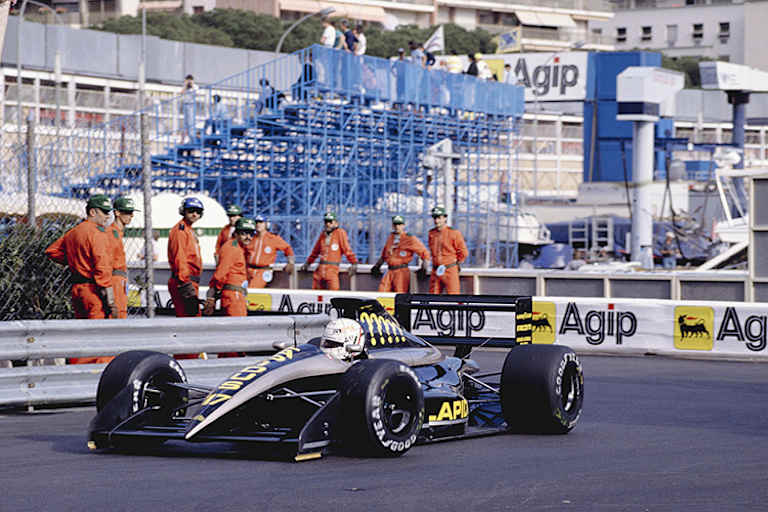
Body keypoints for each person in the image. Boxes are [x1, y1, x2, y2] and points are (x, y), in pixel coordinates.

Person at [45, 194, 117, 321]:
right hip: (93, 289)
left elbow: (52, 251)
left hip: (77, 289)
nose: (108, 216)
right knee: (99, 329)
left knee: (82, 328)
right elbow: (102, 264)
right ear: (93, 212)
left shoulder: (74, 231)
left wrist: (74, 260)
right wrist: (110, 299)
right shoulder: (97, 233)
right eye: (105, 212)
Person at [203, 217, 254, 318]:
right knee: (239, 325)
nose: (248, 237)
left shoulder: (238, 247)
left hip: (236, 294)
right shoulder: (232, 248)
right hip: (233, 296)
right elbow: (221, 273)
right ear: (236, 233)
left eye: (251, 234)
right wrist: (213, 293)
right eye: (244, 233)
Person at [371, 215, 430, 293]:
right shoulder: (391, 237)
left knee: (400, 293)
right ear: (392, 225)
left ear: (403, 225)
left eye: (399, 224)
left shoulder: (409, 238)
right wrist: (377, 266)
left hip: (401, 272)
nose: (397, 227)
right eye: (395, 224)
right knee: (382, 292)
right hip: (390, 271)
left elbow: (424, 253)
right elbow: (384, 254)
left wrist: (424, 268)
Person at [300, 212, 358, 290]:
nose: (328, 224)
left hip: (332, 270)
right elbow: (315, 252)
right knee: (316, 293)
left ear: (336, 223)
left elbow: (346, 249)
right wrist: (308, 263)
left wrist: (354, 263)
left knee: (333, 292)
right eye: (326, 222)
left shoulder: (340, 233)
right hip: (320, 271)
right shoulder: (323, 235)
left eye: (330, 222)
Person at [168, 197, 204, 317]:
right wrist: (185, 285)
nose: (194, 214)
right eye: (191, 210)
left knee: (192, 319)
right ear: (183, 211)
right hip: (184, 282)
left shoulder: (189, 230)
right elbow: (180, 257)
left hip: (189, 282)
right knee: (189, 320)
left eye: (198, 211)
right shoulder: (181, 230)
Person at [108, 196, 139, 319]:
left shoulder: (118, 233)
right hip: (114, 280)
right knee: (117, 315)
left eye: (132, 212)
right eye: (127, 212)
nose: (131, 216)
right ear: (117, 213)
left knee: (121, 313)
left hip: (120, 280)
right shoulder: (111, 233)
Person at [245, 215, 295, 288]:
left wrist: (290, 262)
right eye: (256, 222)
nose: (258, 224)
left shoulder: (273, 238)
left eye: (261, 222)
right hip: (248, 270)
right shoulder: (250, 238)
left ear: (266, 224)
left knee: (252, 290)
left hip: (263, 271)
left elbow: (287, 248)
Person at [427, 206, 467, 295]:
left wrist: (455, 263)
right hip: (435, 270)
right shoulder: (431, 233)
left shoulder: (454, 233)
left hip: (450, 269)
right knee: (433, 296)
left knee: (454, 295)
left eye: (439, 218)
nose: (436, 221)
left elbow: (463, 252)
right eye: (435, 218)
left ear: (445, 218)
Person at [181, 74, 198, 142]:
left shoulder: (195, 86)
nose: (188, 82)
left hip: (191, 105)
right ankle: (182, 139)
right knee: (185, 123)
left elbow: (196, 93)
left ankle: (192, 139)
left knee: (191, 123)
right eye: (187, 80)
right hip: (185, 105)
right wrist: (185, 85)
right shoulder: (185, 86)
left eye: (189, 80)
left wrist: (192, 84)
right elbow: (181, 92)